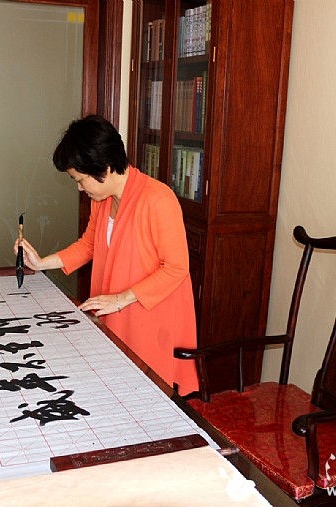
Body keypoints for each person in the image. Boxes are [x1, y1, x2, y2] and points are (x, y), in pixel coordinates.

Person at [15, 114, 198, 395]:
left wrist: (121, 298)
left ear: (104, 167)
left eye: (80, 179)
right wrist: (41, 263)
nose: (79, 188)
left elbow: (176, 268)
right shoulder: (102, 200)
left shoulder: (158, 199)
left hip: (148, 321)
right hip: (114, 310)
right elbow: (89, 245)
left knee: (142, 397)